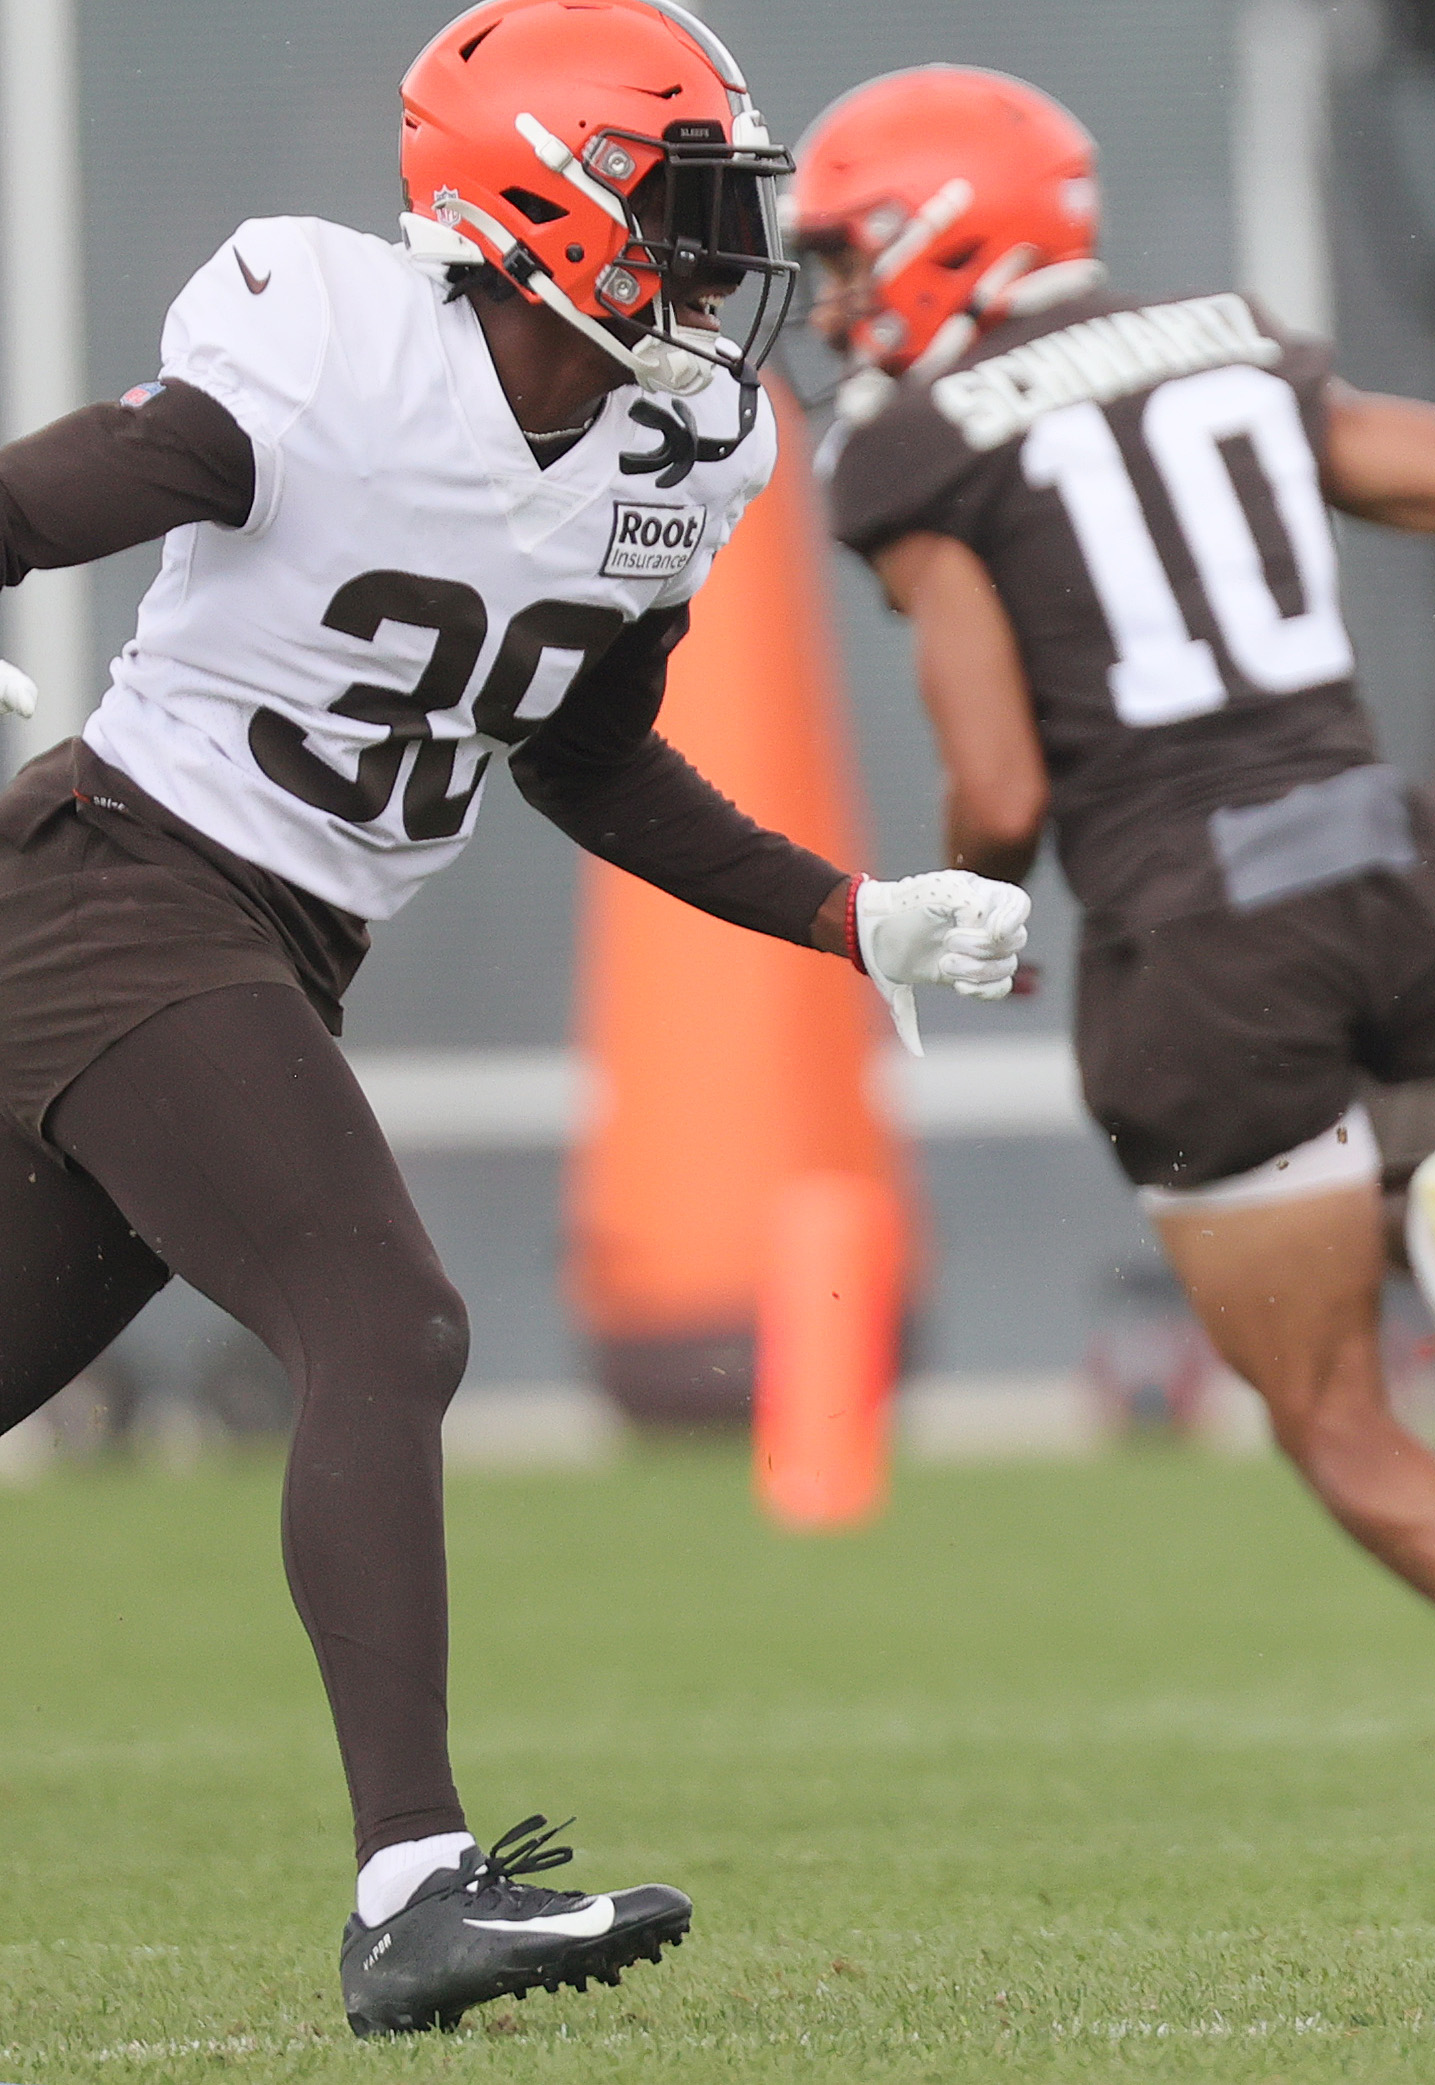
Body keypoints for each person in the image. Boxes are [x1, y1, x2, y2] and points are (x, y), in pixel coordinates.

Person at [0, 0, 1026, 2037]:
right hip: (118, 887)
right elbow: (54, 497)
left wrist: (844, 911)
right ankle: (413, 1885)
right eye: (687, 208)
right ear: (536, 205)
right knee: (391, 1323)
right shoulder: (330, 345)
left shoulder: (682, 443)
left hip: (257, 944)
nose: (726, 260)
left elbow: (581, 754)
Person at [793, 66, 1435, 1813]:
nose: (835, 302)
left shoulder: (913, 446)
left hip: (1196, 930)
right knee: (1368, 1163)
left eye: (849, 255)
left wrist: (960, 905)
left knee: (1331, 1412)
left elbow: (991, 779)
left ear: (940, 232)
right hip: (1383, 870)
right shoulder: (1228, 340)